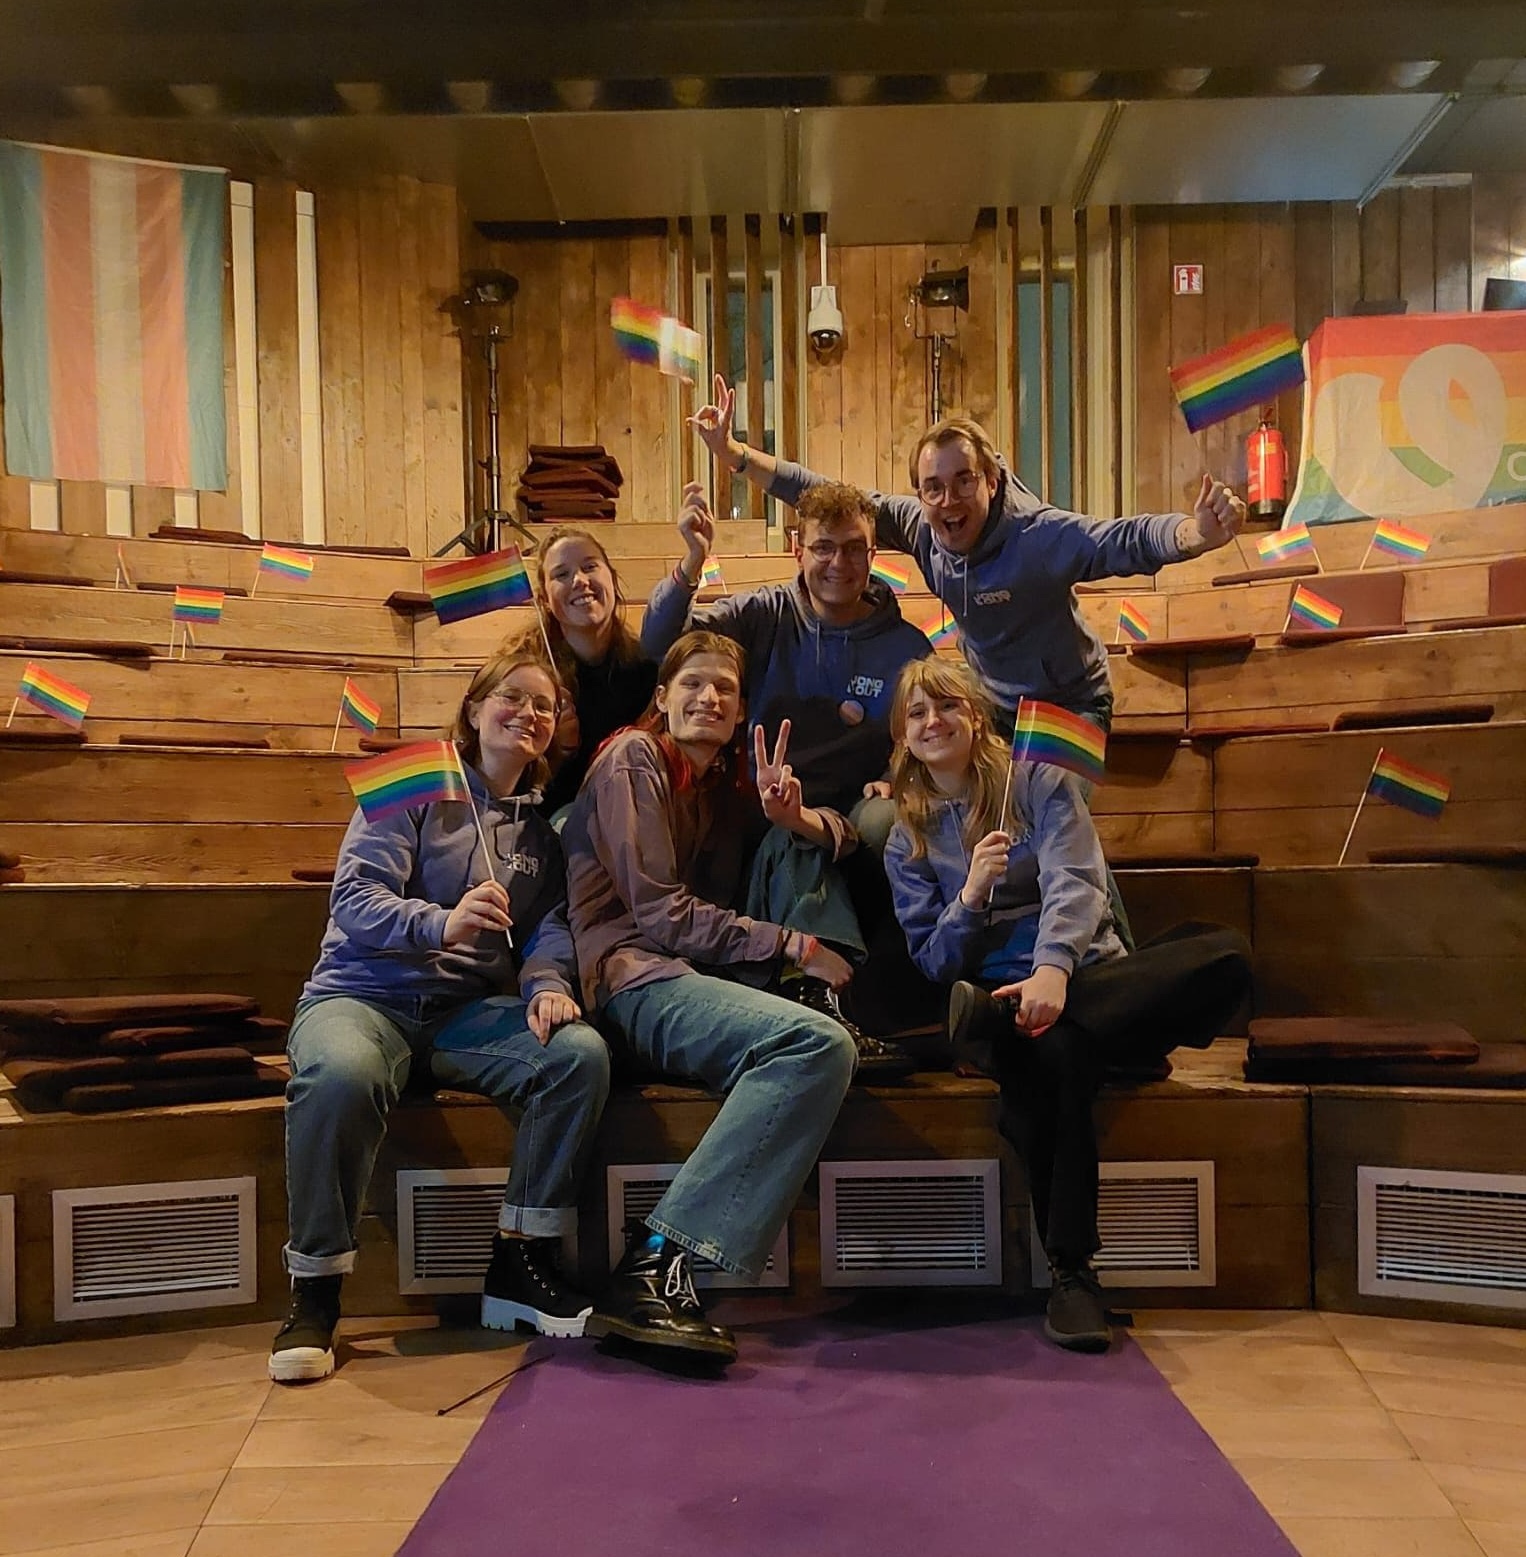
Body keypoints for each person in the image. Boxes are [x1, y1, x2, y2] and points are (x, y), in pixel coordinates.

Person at [881, 657, 1251, 1353]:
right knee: (1060, 1053)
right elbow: (933, 959)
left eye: (947, 706)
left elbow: (1076, 880)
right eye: (917, 713)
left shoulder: (1038, 781)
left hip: (1087, 977)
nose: (934, 722)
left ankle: (1019, 1025)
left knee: (1224, 953)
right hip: (1008, 998)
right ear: (903, 736)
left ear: (975, 716)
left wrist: (1052, 969)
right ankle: (1073, 1273)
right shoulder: (908, 836)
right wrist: (971, 896)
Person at [272, 650, 610, 1384]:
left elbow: (548, 929)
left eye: (544, 706)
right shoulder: (414, 780)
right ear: (475, 707)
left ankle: (521, 1262)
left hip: (466, 1014)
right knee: (340, 1074)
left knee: (576, 1055)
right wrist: (440, 922)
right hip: (363, 996)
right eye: (512, 697)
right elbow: (354, 899)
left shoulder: (541, 835)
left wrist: (546, 985)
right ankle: (316, 1290)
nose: (528, 713)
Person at [563, 630, 859, 1365]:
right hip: (633, 978)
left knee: (793, 851)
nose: (709, 697)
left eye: (725, 688)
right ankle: (654, 1265)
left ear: (741, 709)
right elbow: (662, 914)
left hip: (692, 976)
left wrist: (798, 816)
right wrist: (793, 945)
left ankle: (665, 1268)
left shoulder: (719, 784)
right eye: (692, 683)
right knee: (814, 1046)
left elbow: (834, 842)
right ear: (661, 698)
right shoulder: (633, 757)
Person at [689, 374, 1246, 736]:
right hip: (994, 704)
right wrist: (735, 454)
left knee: (1056, 818)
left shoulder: (1038, 537)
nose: (948, 501)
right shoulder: (919, 524)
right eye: (933, 487)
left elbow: (1122, 540)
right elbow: (822, 492)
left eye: (964, 482)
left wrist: (1195, 534)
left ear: (991, 480)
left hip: (1070, 702)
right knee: (968, 814)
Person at [640, 478, 934, 1074]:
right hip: (762, 811)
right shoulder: (764, 613)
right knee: (789, 839)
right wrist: (692, 563)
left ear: (874, 554)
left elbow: (923, 728)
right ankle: (818, 999)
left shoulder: (905, 644)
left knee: (890, 821)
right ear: (799, 548)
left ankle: (899, 996)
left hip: (851, 817)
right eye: (824, 547)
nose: (838, 563)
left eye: (853, 548)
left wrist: (895, 774)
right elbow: (660, 644)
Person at [499, 525, 657, 819]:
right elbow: (502, 784)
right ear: (545, 600)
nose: (580, 581)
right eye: (561, 574)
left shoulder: (644, 669)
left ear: (612, 579)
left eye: (590, 567)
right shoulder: (523, 674)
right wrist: (555, 749)